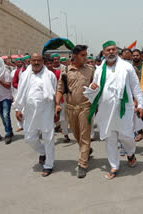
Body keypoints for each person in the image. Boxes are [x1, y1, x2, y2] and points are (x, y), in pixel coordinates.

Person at [88, 41, 143, 179]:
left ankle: (130, 153)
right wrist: (92, 88)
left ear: (117, 52)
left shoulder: (127, 67)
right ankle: (114, 165)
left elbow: (135, 86)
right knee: (109, 138)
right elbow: (94, 88)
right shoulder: (99, 69)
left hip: (124, 109)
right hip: (105, 110)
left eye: (113, 49)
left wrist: (141, 104)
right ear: (104, 53)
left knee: (126, 136)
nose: (111, 52)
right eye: (108, 50)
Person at [14, 53, 57, 177]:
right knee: (29, 138)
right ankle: (43, 152)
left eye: (39, 60)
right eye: (34, 60)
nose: (36, 63)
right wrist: (18, 108)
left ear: (42, 61)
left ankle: (49, 164)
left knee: (48, 138)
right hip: (29, 112)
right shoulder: (25, 75)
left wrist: (55, 110)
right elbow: (20, 92)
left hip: (46, 111)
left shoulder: (50, 75)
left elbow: (53, 94)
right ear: (30, 61)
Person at [55, 45, 94, 178]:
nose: (85, 57)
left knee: (84, 135)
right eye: (83, 55)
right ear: (75, 56)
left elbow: (97, 86)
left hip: (85, 108)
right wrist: (57, 104)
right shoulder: (65, 70)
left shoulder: (90, 70)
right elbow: (60, 88)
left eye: (86, 54)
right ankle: (87, 150)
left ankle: (82, 164)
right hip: (70, 109)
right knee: (77, 135)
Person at [44, 57, 70, 143]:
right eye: (47, 64)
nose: (49, 65)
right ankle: (49, 137)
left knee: (62, 118)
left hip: (59, 99)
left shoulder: (58, 73)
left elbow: (61, 86)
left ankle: (66, 135)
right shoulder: (42, 74)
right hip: (47, 100)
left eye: (50, 63)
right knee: (48, 118)